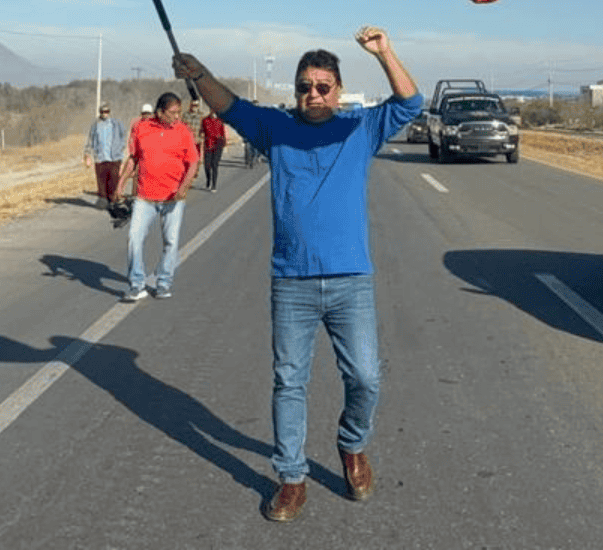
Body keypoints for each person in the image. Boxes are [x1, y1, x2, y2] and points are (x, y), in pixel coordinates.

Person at [172, 26, 419, 523]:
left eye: (323, 85)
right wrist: (199, 74)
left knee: (366, 378)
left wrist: (384, 52)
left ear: (339, 89)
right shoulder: (275, 127)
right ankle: (291, 478)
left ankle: (351, 445)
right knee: (289, 382)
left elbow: (410, 105)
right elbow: (229, 106)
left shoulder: (360, 127)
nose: (313, 94)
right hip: (292, 284)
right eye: (305, 85)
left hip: (351, 282)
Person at [114, 92, 198, 302]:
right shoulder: (142, 128)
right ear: (160, 112)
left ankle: (163, 282)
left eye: (179, 112)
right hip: (145, 196)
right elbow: (134, 158)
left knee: (170, 241)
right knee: (134, 238)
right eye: (172, 113)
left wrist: (184, 186)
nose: (177, 117)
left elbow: (193, 162)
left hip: (173, 199)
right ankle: (137, 284)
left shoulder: (183, 131)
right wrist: (121, 182)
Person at [82, 101, 126, 210]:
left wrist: (120, 148)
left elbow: (123, 136)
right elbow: (90, 140)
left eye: (106, 111)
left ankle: (112, 200)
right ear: (100, 112)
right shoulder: (95, 126)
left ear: (109, 112)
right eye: (102, 111)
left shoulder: (116, 124)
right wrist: (87, 154)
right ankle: (103, 199)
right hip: (100, 158)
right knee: (101, 182)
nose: (105, 113)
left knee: (113, 181)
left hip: (114, 157)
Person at [200, 109, 228, 191]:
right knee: (207, 166)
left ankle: (214, 185)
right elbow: (201, 131)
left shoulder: (220, 120)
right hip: (208, 145)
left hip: (218, 145)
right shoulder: (205, 120)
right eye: (212, 110)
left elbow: (223, 133)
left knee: (214, 165)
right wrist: (201, 135)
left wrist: (224, 145)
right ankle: (208, 180)